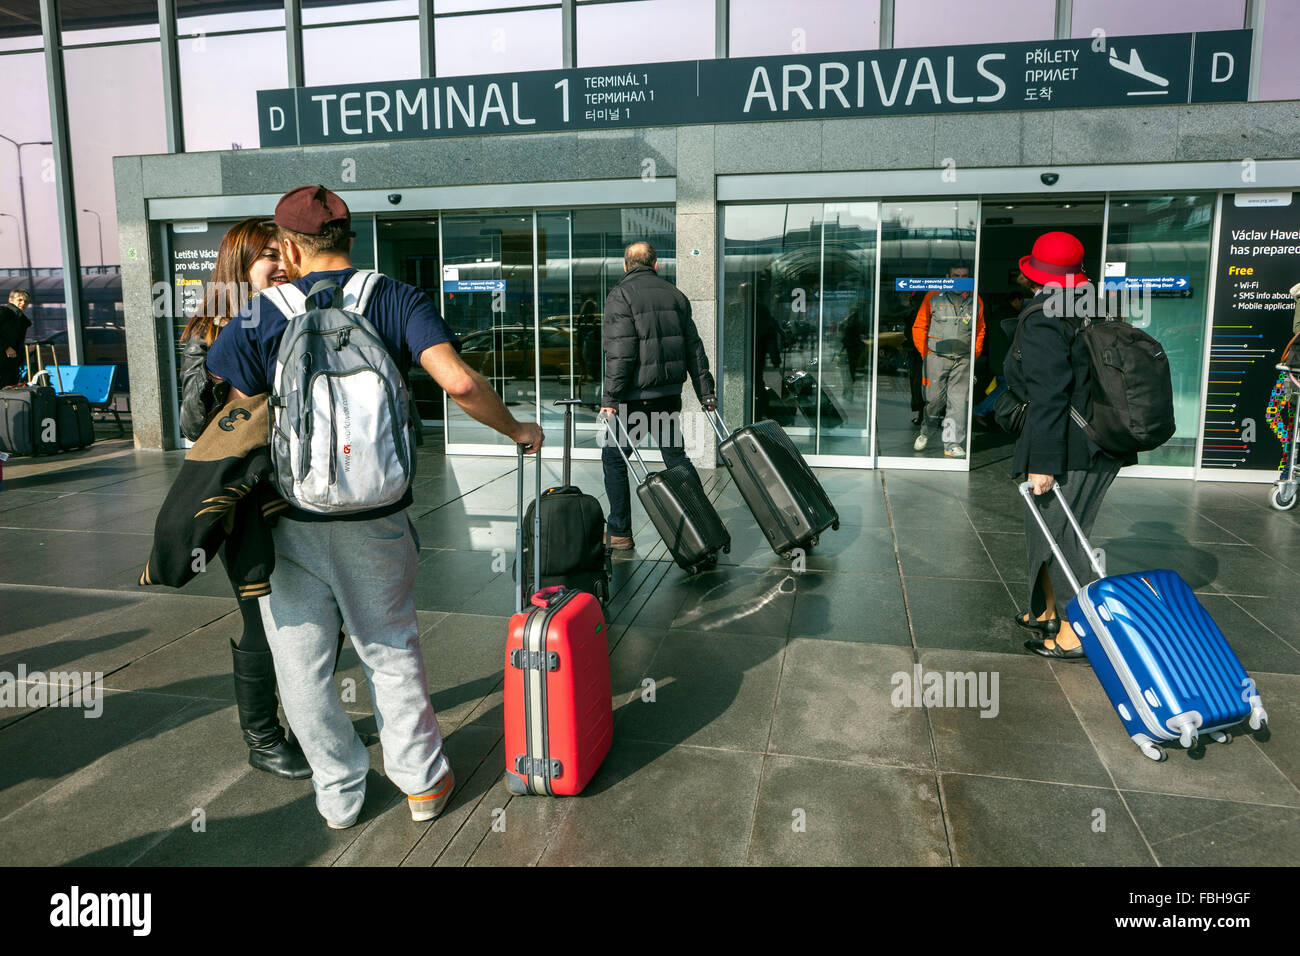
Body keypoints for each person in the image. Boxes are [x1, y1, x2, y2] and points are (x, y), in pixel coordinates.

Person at [207, 185, 544, 829]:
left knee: (301, 666)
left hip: (288, 521)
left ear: (287, 248)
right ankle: (421, 784)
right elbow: (460, 381)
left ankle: (338, 794)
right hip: (378, 516)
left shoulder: (259, 313)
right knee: (389, 647)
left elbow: (236, 420)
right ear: (351, 239)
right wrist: (518, 430)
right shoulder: (391, 296)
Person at [176, 218, 312, 780]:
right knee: (262, 621)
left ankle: (310, 720)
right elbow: (190, 417)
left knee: (313, 620)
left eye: (284, 256)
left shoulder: (297, 319)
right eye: (267, 258)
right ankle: (262, 736)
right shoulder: (208, 332)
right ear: (239, 264)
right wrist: (224, 364)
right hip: (247, 500)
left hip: (304, 489)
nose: (280, 266)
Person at [1003, 232, 1131, 660]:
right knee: (1046, 532)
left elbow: (1050, 395)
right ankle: (1046, 613)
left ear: (1035, 272)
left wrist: (1042, 463)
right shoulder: (1091, 304)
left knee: (1061, 538)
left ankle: (1078, 633)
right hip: (1094, 439)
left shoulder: (1043, 317)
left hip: (1068, 445)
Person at [599, 240, 716, 552]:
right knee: (676, 458)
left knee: (614, 457)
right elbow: (695, 347)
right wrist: (706, 392)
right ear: (656, 264)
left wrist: (610, 399)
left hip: (634, 398)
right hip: (667, 395)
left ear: (625, 266)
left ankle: (620, 531)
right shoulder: (674, 295)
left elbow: (620, 353)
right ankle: (704, 522)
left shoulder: (620, 295)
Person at [912, 265, 985, 457]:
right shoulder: (933, 295)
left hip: (963, 360)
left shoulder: (975, 299)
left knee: (959, 402)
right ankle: (926, 432)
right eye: (955, 276)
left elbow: (980, 329)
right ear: (947, 277)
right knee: (934, 400)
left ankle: (951, 443)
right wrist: (925, 353)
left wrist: (974, 353)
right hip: (936, 357)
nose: (960, 279)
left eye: (964, 276)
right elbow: (919, 325)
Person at [0, 288, 33, 387]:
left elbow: (17, 343)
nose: (23, 303)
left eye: (26, 301)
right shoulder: (3, 312)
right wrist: (6, 347)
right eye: (19, 300)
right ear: (10, 300)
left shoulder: (22, 320)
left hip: (10, 364)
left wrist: (27, 351)